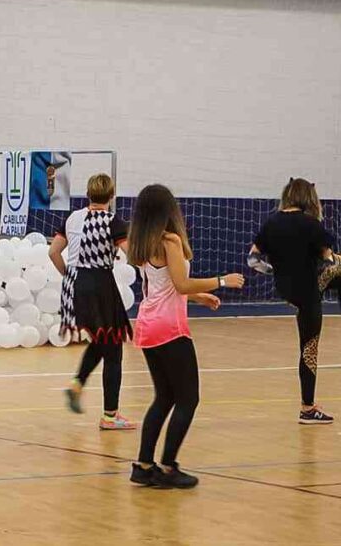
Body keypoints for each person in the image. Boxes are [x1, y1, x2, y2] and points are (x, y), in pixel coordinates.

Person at [126, 184, 244, 489]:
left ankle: (143, 465)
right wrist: (222, 281)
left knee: (164, 397)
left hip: (148, 326)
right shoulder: (170, 240)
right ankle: (168, 467)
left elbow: (161, 287)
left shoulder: (141, 244)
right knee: (188, 398)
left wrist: (199, 296)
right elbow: (179, 283)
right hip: (169, 328)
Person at [250, 178, 341, 424]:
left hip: (286, 289)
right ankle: (308, 407)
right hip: (308, 291)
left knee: (340, 277)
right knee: (309, 349)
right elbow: (330, 261)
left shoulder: (271, 223)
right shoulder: (311, 225)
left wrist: (278, 271)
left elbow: (253, 261)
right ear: (308, 198)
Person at [49, 174, 135, 430]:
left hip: (75, 284)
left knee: (101, 340)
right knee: (114, 349)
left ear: (87, 194)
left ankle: (77, 384)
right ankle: (110, 416)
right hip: (100, 286)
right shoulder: (113, 222)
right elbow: (133, 254)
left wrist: (69, 275)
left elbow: (53, 252)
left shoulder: (73, 218)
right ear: (112, 196)